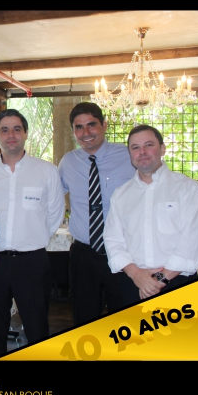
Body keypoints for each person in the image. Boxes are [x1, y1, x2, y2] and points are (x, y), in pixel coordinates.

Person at [0, 109, 64, 360]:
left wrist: (32, 238)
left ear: (25, 133)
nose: (10, 135)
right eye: (4, 130)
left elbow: (55, 214)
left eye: (16, 129)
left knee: (37, 328)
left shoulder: (46, 171)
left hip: (32, 262)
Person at [104, 124, 198, 301]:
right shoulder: (121, 194)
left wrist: (157, 280)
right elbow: (113, 240)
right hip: (134, 284)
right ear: (130, 154)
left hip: (178, 283)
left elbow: (193, 241)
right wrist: (137, 275)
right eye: (135, 147)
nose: (142, 152)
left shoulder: (188, 189)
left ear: (162, 148)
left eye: (149, 145)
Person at [57, 102, 136, 323]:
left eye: (91, 125)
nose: (86, 133)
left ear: (104, 125)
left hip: (123, 251)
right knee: (84, 318)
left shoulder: (128, 156)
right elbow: (51, 197)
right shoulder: (68, 162)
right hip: (83, 255)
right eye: (79, 127)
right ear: (73, 132)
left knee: (125, 319)